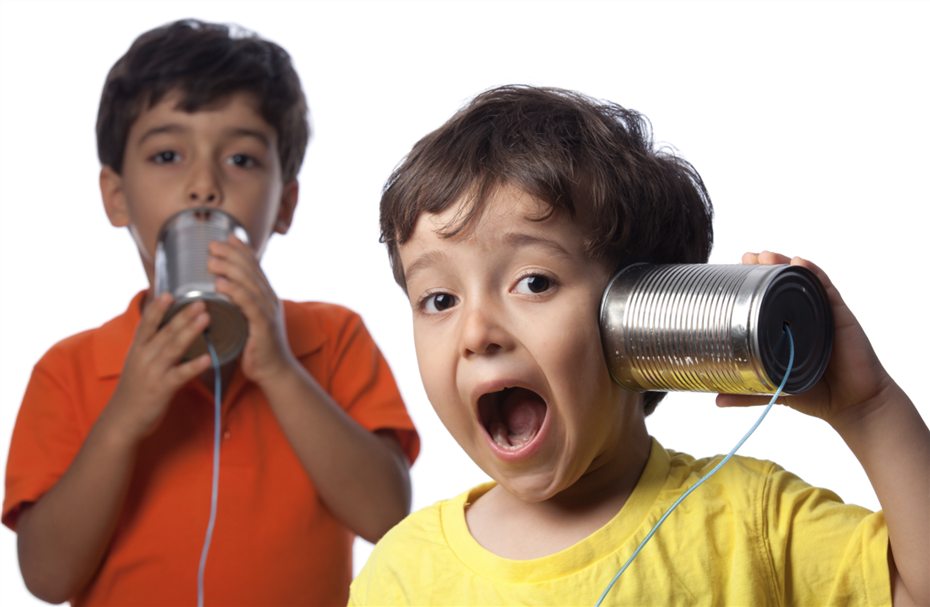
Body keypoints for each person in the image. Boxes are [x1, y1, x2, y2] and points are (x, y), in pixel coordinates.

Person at [350, 85, 928, 605]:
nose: (477, 333)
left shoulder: (753, 523)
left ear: (643, 314)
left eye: (534, 283)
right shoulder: (401, 573)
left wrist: (868, 409)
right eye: (440, 300)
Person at [2, 19, 419, 607]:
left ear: (285, 203)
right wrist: (123, 417)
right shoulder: (69, 369)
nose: (203, 185)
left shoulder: (332, 337)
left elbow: (386, 517)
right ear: (117, 196)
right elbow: (45, 576)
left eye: (242, 160)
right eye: (168, 154)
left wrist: (278, 369)